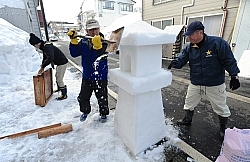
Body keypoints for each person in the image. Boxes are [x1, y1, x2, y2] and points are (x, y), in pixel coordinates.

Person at [167, 21, 240, 139]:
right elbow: (182, 58)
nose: (189, 38)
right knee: (189, 102)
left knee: (220, 106)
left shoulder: (217, 43)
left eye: (191, 35)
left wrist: (234, 76)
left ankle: (223, 127)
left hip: (214, 83)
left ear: (200, 32)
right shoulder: (190, 47)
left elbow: (229, 60)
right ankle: (187, 119)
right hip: (196, 82)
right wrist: (176, 62)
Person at [67, 19, 109, 123]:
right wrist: (74, 42)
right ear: (87, 31)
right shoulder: (84, 42)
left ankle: (103, 114)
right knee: (83, 97)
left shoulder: (104, 42)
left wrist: (98, 47)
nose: (94, 32)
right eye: (91, 30)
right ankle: (85, 111)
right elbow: (74, 53)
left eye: (96, 29)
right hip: (87, 75)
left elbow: (102, 56)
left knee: (102, 97)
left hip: (100, 76)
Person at [29, 33, 68, 100]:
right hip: (60, 63)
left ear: (37, 43)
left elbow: (50, 58)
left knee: (59, 79)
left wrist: (43, 65)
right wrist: (42, 67)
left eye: (34, 45)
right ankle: (60, 89)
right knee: (57, 77)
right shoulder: (44, 47)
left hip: (62, 63)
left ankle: (64, 94)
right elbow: (45, 57)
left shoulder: (47, 47)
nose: (35, 47)